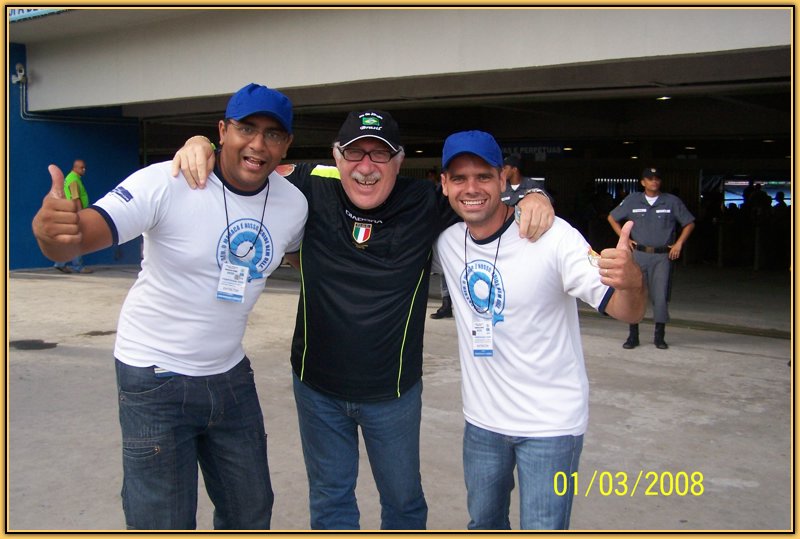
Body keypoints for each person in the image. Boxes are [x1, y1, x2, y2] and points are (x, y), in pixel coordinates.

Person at [171, 111, 555, 530]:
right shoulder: (310, 183)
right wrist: (201, 144)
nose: (366, 166)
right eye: (355, 153)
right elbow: (249, 164)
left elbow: (483, 200)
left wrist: (534, 197)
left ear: (399, 161)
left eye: (380, 154)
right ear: (337, 157)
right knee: (330, 501)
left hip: (393, 393)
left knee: (403, 502)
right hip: (316, 388)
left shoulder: (425, 201)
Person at [32, 83, 309, 530]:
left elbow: (298, 253)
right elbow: (79, 236)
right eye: (246, 128)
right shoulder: (167, 181)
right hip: (155, 377)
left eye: (273, 134)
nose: (258, 144)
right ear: (223, 131)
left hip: (230, 375)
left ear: (287, 144)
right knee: (161, 521)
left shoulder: (293, 204)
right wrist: (53, 233)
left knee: (251, 511)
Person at [435, 130, 647, 530]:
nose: (471, 188)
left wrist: (633, 281)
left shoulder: (554, 237)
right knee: (482, 525)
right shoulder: (447, 241)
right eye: (459, 178)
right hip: (482, 423)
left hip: (550, 426)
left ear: (504, 179)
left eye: (483, 176)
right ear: (444, 184)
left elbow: (627, 312)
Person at [607, 167, 695, 350]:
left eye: (657, 178)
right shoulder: (633, 200)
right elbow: (612, 218)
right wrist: (624, 238)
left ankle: (659, 336)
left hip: (661, 256)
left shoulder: (671, 201)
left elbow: (689, 223)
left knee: (660, 296)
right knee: (633, 293)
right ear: (643, 182)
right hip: (639, 254)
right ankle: (633, 335)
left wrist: (678, 244)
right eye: (649, 178)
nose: (654, 181)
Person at [54, 159, 93, 274]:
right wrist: (81, 214)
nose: (84, 170)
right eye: (81, 168)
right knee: (76, 240)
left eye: (84, 167)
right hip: (74, 213)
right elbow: (75, 198)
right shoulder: (73, 180)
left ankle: (60, 263)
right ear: (75, 168)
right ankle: (78, 267)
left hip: (69, 213)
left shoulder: (71, 178)